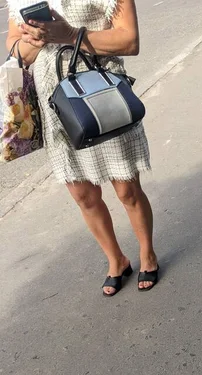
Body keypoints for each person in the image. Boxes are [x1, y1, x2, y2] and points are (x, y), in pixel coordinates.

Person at [6, 0, 159, 296]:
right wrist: (33, 40)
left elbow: (129, 40)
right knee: (83, 195)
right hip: (55, 106)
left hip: (101, 95)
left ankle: (147, 254)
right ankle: (116, 260)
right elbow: (14, 49)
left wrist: (69, 34)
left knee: (127, 189)